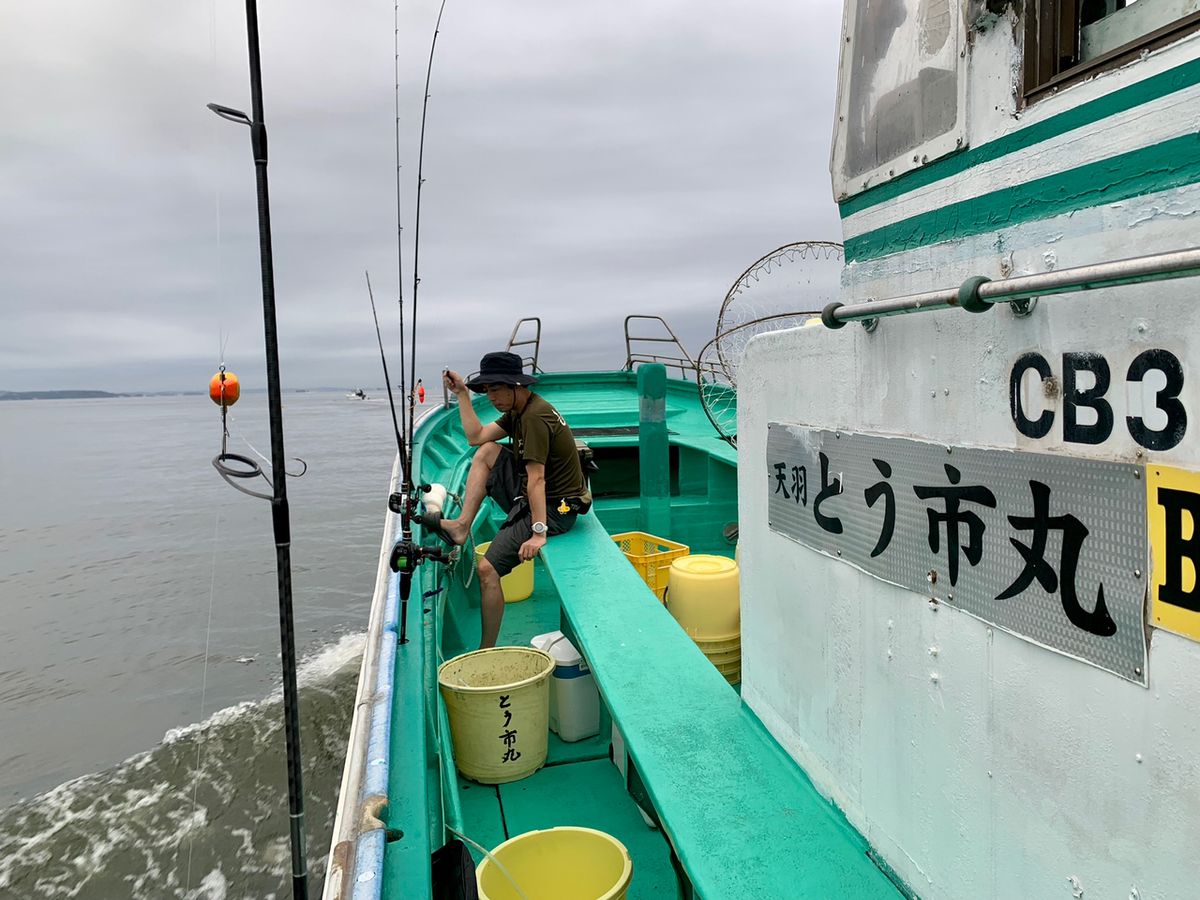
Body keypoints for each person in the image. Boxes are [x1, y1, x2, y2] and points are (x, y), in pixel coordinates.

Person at [424, 351, 588, 648]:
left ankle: (485, 649)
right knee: (486, 451)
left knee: (487, 570)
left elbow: (537, 479)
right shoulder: (520, 410)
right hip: (539, 495)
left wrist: (538, 534)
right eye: (487, 391)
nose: (492, 397)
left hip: (555, 510)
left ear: (516, 385)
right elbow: (477, 437)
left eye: (496, 389)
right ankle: (462, 526)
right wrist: (462, 394)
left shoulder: (535, 418)